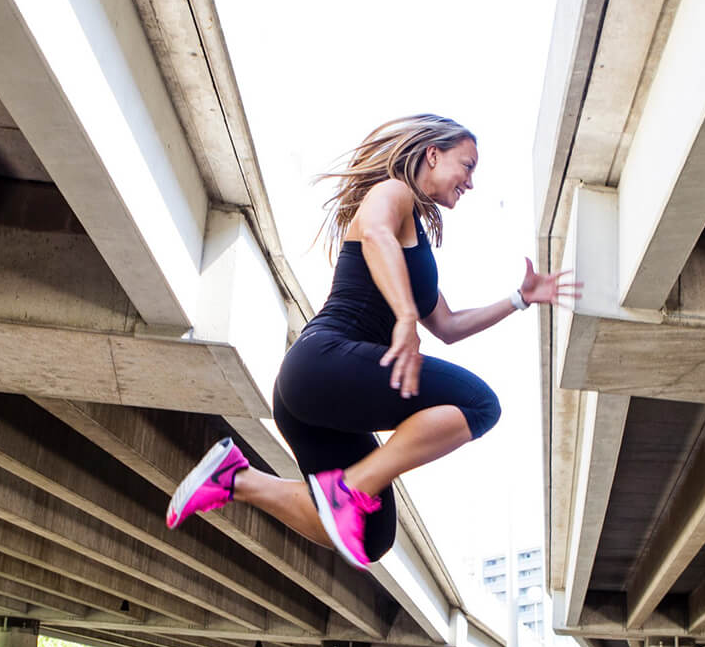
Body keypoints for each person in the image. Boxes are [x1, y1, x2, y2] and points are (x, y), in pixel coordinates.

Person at [166, 114, 579, 568]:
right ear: (432, 153)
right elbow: (377, 234)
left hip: (313, 397)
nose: (472, 182)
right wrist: (404, 316)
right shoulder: (391, 193)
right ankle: (346, 491)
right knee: (480, 404)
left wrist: (520, 298)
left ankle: (236, 479)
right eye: (468, 165)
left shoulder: (414, 239)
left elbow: (448, 325)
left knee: (371, 538)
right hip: (324, 363)